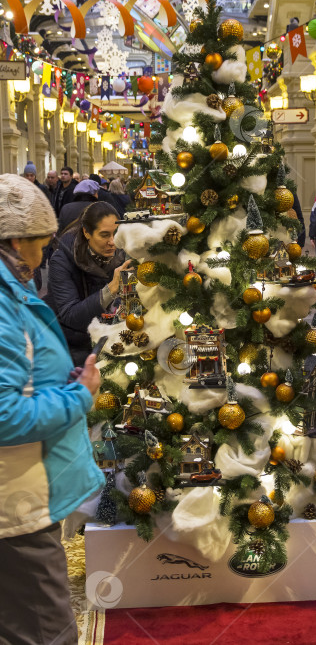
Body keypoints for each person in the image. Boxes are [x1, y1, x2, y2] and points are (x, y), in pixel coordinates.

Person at [0, 173, 103, 645]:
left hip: (24, 492)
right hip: (15, 503)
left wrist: (59, 380)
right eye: (40, 245)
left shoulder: (12, 290)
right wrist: (79, 396)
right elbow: (5, 414)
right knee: (45, 630)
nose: (43, 256)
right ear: (16, 242)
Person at [47, 202, 129, 366]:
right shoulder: (62, 260)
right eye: (104, 235)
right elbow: (71, 315)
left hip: (114, 340)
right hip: (73, 345)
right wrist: (111, 290)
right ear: (87, 232)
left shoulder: (124, 254)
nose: (112, 242)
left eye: (115, 233)